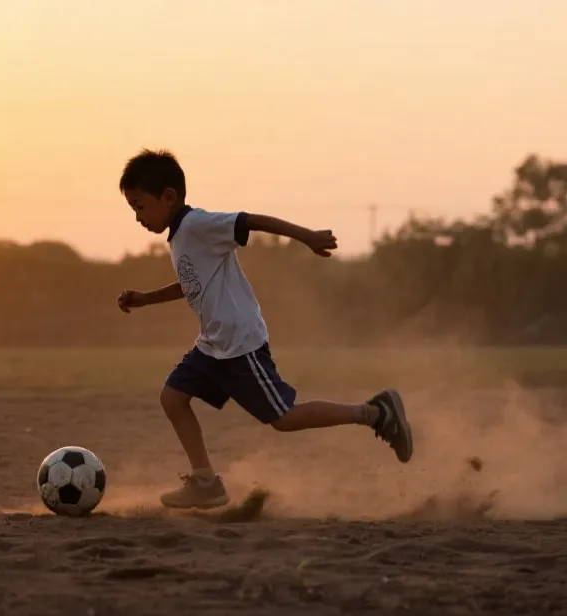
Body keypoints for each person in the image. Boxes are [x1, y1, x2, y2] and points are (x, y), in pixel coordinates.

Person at [117, 149, 413, 509]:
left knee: (283, 419)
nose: (137, 217)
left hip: (239, 345)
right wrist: (146, 299)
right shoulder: (180, 236)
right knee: (173, 398)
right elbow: (193, 283)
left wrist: (306, 236)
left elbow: (249, 221)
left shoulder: (198, 225)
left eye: (140, 206)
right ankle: (206, 481)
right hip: (213, 346)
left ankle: (375, 413)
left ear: (169, 197)